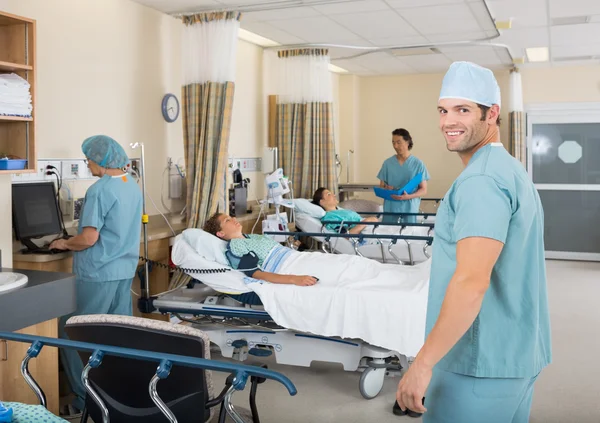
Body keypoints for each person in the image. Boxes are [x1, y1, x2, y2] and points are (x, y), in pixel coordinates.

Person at [395, 61, 551, 423]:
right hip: (517, 352)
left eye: (463, 110)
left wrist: (422, 363)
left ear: (491, 114)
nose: (448, 121)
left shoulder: (480, 181)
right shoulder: (509, 169)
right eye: (443, 110)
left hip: (478, 364)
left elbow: (471, 281)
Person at [50, 135, 143, 415]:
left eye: (88, 159)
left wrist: (64, 243)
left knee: (73, 335)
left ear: (101, 160)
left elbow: (89, 238)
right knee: (114, 336)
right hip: (123, 271)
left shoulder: (100, 190)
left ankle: (84, 401)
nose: (87, 164)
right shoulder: (131, 184)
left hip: (98, 274)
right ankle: (113, 398)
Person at [377, 128, 430, 224]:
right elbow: (381, 186)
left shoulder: (418, 164)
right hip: (390, 208)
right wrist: (387, 188)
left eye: (399, 142)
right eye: (393, 142)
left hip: (409, 209)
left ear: (407, 142)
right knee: (388, 236)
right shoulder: (388, 163)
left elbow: (423, 190)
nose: (395, 146)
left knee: (408, 236)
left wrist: (409, 196)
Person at [312, 187, 379, 234]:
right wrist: (366, 221)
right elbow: (346, 236)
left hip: (371, 228)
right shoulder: (330, 217)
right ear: (322, 202)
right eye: (329, 194)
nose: (334, 195)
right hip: (366, 232)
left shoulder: (341, 211)